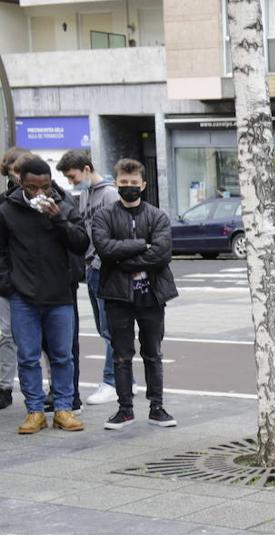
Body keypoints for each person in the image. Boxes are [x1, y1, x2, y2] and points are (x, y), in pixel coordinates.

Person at [0, 156, 91, 434]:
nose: (39, 192)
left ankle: (63, 409)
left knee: (62, 355)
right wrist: (8, 285)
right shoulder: (7, 210)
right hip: (23, 295)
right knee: (28, 357)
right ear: (20, 183)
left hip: (60, 294)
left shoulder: (64, 205)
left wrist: (58, 218)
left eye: (45, 186)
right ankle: (35, 411)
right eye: (32, 187)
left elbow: (81, 243)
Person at [92, 159, 178, 430]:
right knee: (121, 355)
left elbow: (162, 254)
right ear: (116, 183)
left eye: (133, 183)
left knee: (153, 353)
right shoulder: (104, 216)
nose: (128, 187)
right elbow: (105, 250)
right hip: (117, 296)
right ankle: (125, 409)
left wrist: (123, 260)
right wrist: (142, 244)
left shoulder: (157, 216)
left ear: (143, 184)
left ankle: (157, 408)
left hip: (152, 296)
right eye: (124, 182)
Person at [58, 150, 121, 407]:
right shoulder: (85, 194)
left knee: (110, 330)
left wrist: (99, 263)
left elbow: (115, 234)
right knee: (103, 328)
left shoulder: (109, 195)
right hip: (92, 269)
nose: (71, 182)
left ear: (86, 169)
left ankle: (112, 382)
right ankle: (125, 379)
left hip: (105, 269)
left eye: (72, 177)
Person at [0, 147, 32, 411]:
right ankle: (4, 386)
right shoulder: (3, 203)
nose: (19, 176)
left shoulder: (46, 199)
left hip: (37, 278)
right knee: (6, 334)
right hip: (8, 279)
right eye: (15, 170)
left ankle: (54, 391)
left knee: (43, 338)